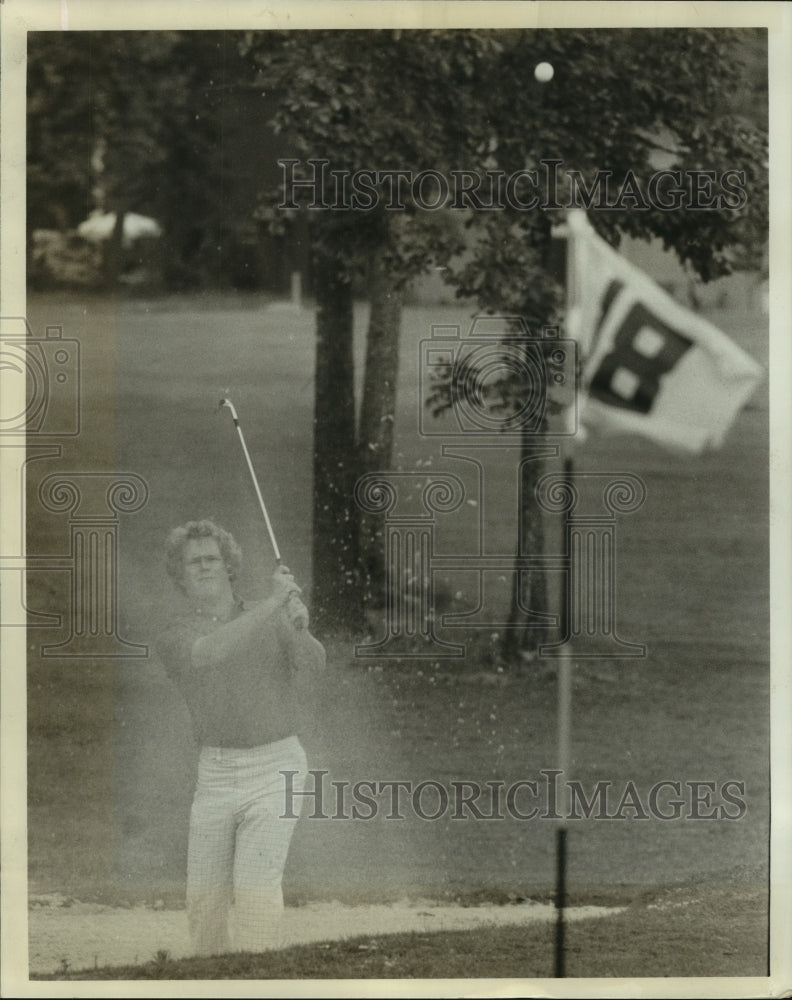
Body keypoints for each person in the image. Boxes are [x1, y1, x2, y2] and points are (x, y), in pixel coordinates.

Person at [156, 519, 325, 956]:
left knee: (254, 892)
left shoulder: (270, 616)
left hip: (277, 767)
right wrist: (273, 604)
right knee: (204, 904)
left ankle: (260, 982)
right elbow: (210, 652)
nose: (204, 567)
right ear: (180, 573)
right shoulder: (176, 633)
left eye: (212, 558)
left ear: (229, 566)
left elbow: (314, 664)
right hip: (215, 774)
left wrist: (300, 627)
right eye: (193, 562)